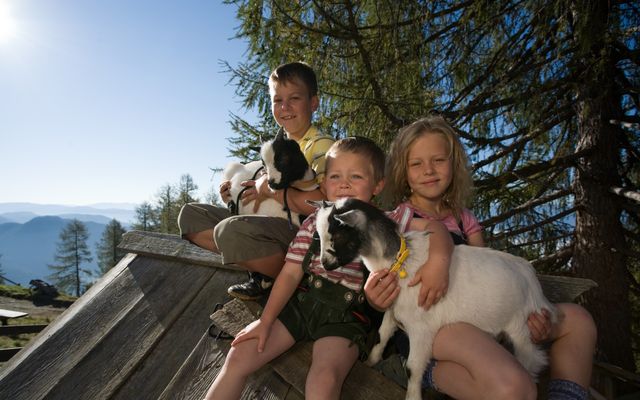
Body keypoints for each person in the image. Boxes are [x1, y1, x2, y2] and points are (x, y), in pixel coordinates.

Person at [204, 136, 454, 400]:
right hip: (301, 304)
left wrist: (439, 264)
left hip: (346, 319)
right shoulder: (313, 221)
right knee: (239, 354)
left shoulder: (385, 221)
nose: (344, 184)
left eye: (356, 176)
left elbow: (435, 228)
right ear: (323, 183)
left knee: (323, 381)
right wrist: (265, 321)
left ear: (378, 184)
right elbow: (290, 273)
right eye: (335, 177)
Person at [366, 116, 597, 400]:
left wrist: (532, 316)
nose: (428, 170)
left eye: (438, 160)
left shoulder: (465, 221)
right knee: (513, 384)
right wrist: (377, 297)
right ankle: (421, 370)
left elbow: (488, 276)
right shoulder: (397, 221)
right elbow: (381, 278)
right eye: (416, 163)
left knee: (578, 321)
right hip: (432, 328)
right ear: (403, 171)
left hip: (477, 320)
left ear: (454, 164)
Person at [178, 61, 334, 300]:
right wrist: (234, 196)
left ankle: (295, 280)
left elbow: (327, 205)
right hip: (266, 225)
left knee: (229, 231)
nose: (285, 107)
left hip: (301, 235)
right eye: (277, 100)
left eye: (294, 98)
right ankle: (265, 274)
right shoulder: (277, 143)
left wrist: (271, 192)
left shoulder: (321, 146)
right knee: (190, 216)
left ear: (313, 102)